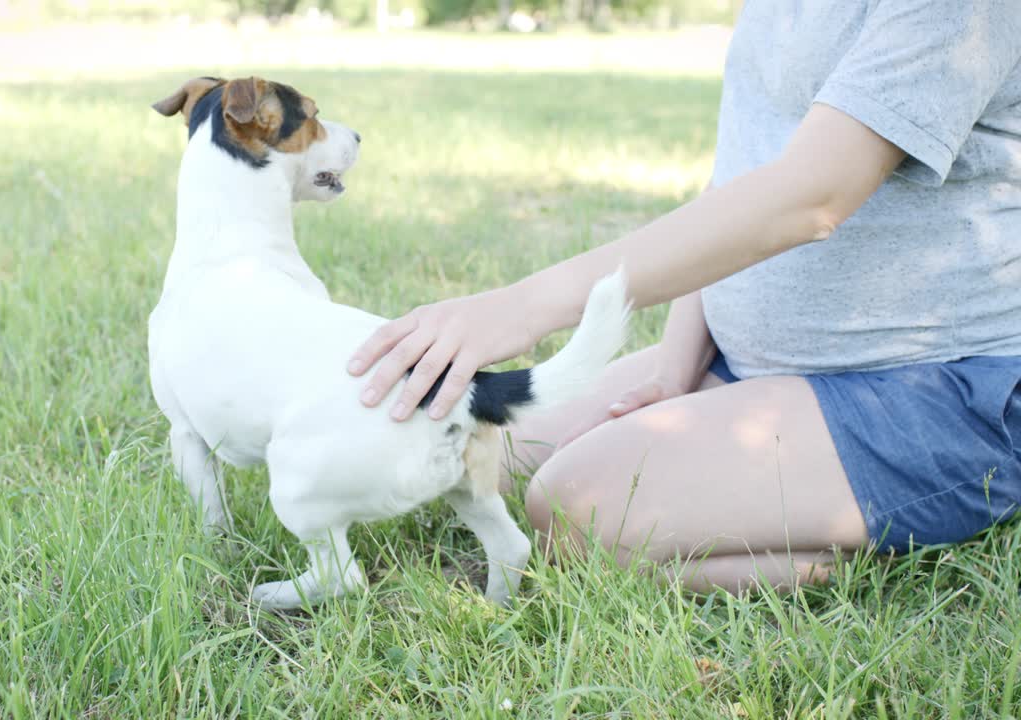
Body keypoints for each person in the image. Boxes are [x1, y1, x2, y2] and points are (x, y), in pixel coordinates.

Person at [346, 1, 1021, 593]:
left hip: (937, 389)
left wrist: (523, 307)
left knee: (573, 510)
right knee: (496, 448)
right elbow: (746, 170)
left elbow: (813, 195)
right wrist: (679, 357)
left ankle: (869, 548)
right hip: (758, 360)